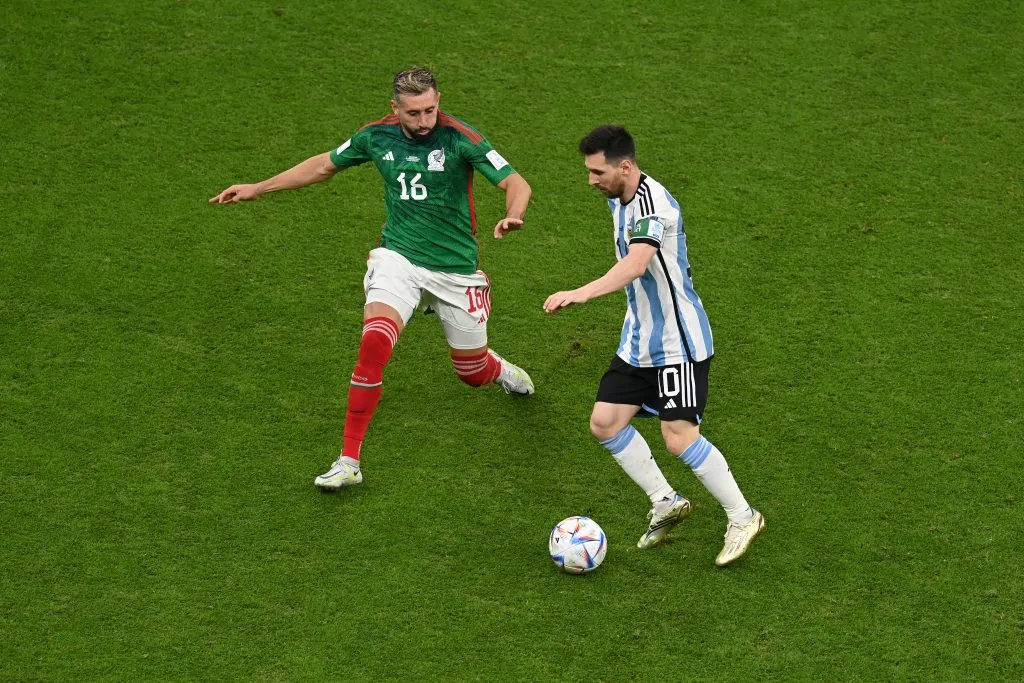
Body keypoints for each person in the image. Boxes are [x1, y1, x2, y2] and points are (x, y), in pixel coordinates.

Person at [210, 67, 535, 490]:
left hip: (454, 270)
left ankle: (499, 370)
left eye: (431, 110)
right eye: (414, 113)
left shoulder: (460, 137)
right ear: (394, 108)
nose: (423, 122)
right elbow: (324, 165)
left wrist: (514, 214)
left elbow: (515, 181)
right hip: (397, 258)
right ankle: (349, 460)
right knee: (374, 340)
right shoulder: (375, 136)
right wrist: (259, 186)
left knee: (470, 372)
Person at [543, 125, 763, 566]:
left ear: (625, 166)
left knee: (679, 438)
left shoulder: (653, 205)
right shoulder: (617, 196)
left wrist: (581, 292)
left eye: (597, 171)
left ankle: (743, 516)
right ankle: (665, 500)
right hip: (639, 337)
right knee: (605, 423)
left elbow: (637, 263)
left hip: (677, 341)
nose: (591, 180)